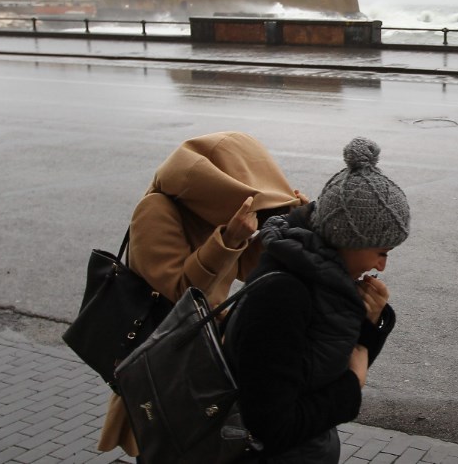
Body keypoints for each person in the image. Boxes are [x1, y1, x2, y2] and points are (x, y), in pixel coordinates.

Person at [98, 131, 308, 457]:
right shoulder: (156, 209)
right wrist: (227, 242)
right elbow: (179, 297)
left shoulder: (216, 210)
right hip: (164, 369)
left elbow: (255, 272)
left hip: (206, 364)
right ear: (219, 185)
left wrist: (293, 225)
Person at [224, 136, 411, 463]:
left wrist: (375, 319)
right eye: (381, 252)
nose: (382, 266)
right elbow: (273, 426)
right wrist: (352, 387)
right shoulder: (283, 297)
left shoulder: (322, 280)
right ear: (348, 239)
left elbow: (340, 357)